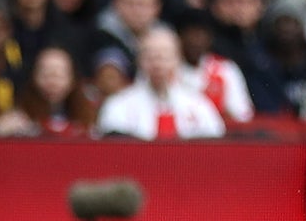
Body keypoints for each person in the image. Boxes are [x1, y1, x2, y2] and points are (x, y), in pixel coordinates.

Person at [94, 27, 224, 140]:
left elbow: (215, 145)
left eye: (164, 56)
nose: (157, 64)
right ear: (139, 60)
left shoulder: (199, 105)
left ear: (178, 60)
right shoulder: (118, 105)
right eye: (150, 56)